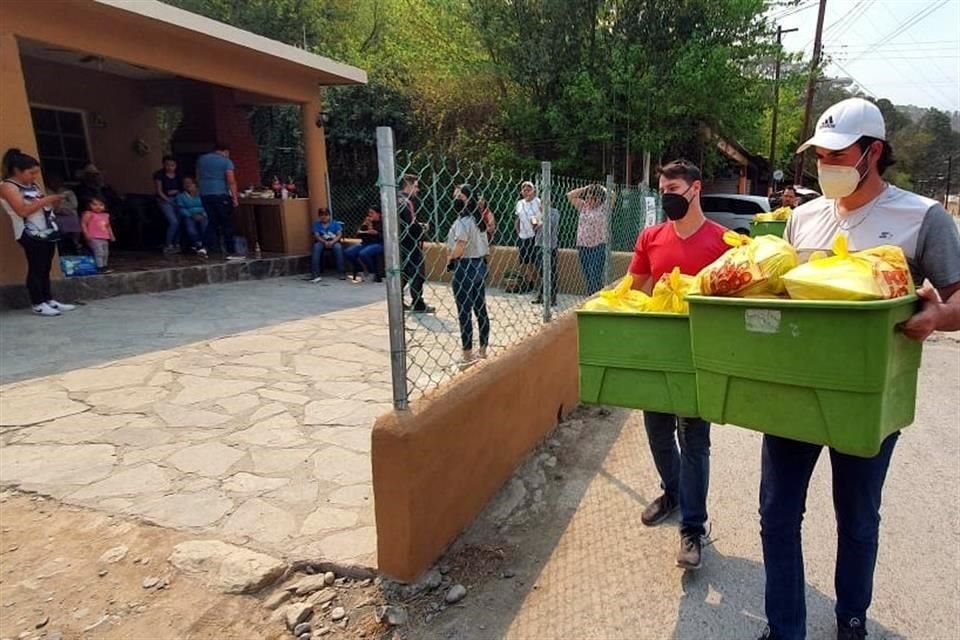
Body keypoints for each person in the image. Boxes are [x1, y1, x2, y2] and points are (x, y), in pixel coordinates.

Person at [757, 98, 960, 640]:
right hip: (793, 389)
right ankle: (784, 629)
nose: (825, 163)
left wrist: (938, 315)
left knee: (857, 516)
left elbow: (959, 299)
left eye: (836, 153)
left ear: (873, 152)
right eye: (819, 154)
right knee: (777, 514)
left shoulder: (922, 217)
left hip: (867, 395)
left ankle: (851, 619)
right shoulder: (801, 217)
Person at [628, 159, 730, 571]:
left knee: (694, 442)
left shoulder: (724, 243)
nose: (666, 195)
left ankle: (692, 526)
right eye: (662, 188)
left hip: (699, 360)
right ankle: (672, 493)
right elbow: (634, 292)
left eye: (673, 188)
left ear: (695, 189)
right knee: (657, 433)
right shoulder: (650, 237)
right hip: (658, 358)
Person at [0, 149, 76, 316]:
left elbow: (41, 206)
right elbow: (22, 211)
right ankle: (37, 302)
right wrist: (46, 200)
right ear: (17, 171)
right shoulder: (8, 187)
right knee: (37, 266)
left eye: (36, 173)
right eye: (31, 173)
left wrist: (54, 203)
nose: (34, 176)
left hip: (46, 229)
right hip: (28, 232)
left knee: (46, 267)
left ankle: (48, 299)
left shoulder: (32, 185)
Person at [446, 184, 490, 367]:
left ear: (466, 199)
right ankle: (483, 350)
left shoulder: (463, 222)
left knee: (464, 311)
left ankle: (467, 354)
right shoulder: (478, 221)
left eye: (458, 196)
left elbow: (460, 246)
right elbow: (486, 248)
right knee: (480, 309)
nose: (455, 199)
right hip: (479, 264)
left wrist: (450, 259)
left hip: (465, 266)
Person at [196, 142, 242, 259]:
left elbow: (198, 176)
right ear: (225, 151)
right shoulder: (225, 161)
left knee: (213, 221)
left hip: (205, 194)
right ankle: (231, 251)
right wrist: (235, 198)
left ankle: (204, 247)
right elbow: (231, 180)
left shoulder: (201, 159)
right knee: (227, 223)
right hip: (220, 194)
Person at [398, 174, 434, 313]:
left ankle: (399, 300)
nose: (418, 189)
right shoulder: (407, 202)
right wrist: (422, 228)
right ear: (408, 184)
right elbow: (411, 225)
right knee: (418, 272)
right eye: (416, 186)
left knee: (405, 272)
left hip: (398, 242)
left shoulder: (395, 199)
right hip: (410, 242)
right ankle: (418, 303)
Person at [568, 183, 610, 294]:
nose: (589, 200)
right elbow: (570, 195)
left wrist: (601, 188)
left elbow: (612, 195)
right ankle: (596, 296)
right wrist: (586, 188)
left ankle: (593, 297)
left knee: (594, 275)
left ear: (599, 199)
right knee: (587, 275)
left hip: (598, 246)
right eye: (587, 197)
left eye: (593, 198)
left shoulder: (604, 208)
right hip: (583, 246)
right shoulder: (583, 206)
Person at [345, 205, 384, 282]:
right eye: (369, 213)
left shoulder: (383, 223)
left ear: (378, 214)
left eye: (372, 213)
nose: (370, 215)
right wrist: (364, 225)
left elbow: (385, 237)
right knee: (348, 252)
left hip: (378, 243)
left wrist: (376, 233)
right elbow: (358, 235)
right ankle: (361, 269)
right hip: (366, 243)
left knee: (363, 253)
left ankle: (372, 272)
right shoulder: (367, 222)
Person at [45, 172, 82, 254]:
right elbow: (48, 205)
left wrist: (64, 208)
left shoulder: (67, 192)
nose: (54, 182)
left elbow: (74, 204)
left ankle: (75, 244)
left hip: (68, 214)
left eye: (57, 180)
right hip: (54, 215)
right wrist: (58, 209)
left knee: (73, 219)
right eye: (52, 180)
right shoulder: (47, 191)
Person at [514, 181, 541, 292]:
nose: (526, 191)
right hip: (523, 235)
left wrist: (534, 228)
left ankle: (538, 283)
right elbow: (518, 218)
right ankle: (529, 283)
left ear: (533, 190)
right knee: (525, 262)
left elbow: (539, 217)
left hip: (534, 235)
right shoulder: (520, 203)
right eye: (524, 189)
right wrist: (517, 230)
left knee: (535, 261)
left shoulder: (538, 202)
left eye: (528, 189)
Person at [154, 155, 183, 254]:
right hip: (164, 200)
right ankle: (168, 244)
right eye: (167, 165)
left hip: (178, 199)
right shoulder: (159, 175)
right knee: (173, 221)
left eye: (172, 165)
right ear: (164, 165)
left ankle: (177, 243)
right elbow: (159, 191)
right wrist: (167, 199)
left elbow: (182, 188)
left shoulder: (179, 175)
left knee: (179, 221)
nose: (170, 167)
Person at [532, 205, 560, 306]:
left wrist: (542, 215)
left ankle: (552, 298)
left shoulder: (554, 212)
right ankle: (542, 295)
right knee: (542, 271)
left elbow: (551, 225)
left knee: (551, 272)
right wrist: (535, 220)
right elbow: (534, 226)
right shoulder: (539, 212)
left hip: (551, 245)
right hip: (539, 244)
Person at [173, 177, 208, 258]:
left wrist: (202, 214)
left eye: (190, 183)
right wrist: (191, 215)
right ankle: (198, 244)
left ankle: (205, 246)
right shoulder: (180, 196)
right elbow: (181, 209)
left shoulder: (202, 195)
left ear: (195, 185)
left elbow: (206, 206)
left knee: (205, 227)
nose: (188, 185)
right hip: (189, 215)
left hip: (202, 215)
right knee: (191, 230)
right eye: (185, 183)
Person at [81, 196, 115, 273]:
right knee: (99, 252)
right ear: (90, 205)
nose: (98, 207)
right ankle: (100, 267)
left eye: (101, 205)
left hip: (104, 237)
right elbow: (83, 224)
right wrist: (86, 234)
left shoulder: (106, 215)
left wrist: (111, 235)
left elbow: (108, 226)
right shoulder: (89, 214)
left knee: (105, 253)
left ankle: (105, 266)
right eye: (95, 204)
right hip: (94, 237)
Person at [310, 207, 345, 282]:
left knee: (338, 248)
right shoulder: (316, 224)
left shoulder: (335, 223)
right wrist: (324, 242)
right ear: (319, 216)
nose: (324, 217)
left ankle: (341, 272)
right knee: (316, 247)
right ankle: (315, 274)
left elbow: (339, 234)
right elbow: (316, 235)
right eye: (321, 215)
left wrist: (333, 242)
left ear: (329, 215)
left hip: (334, 241)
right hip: (321, 241)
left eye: (326, 214)